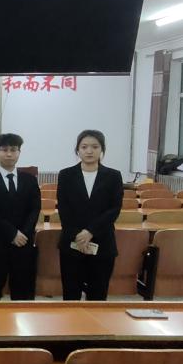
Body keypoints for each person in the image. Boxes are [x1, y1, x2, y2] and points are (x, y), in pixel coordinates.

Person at [56, 129, 124, 301]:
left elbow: (114, 209)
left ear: (102, 150)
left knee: (98, 295)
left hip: (102, 243)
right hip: (72, 243)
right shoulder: (66, 175)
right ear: (78, 150)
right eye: (84, 146)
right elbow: (64, 209)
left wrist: (90, 232)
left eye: (95, 146)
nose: (89, 151)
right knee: (71, 294)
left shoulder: (113, 176)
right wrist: (78, 236)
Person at [0, 132, 41, 301]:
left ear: (19, 152)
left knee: (23, 292)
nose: (9, 154)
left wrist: (23, 233)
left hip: (24, 242)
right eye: (4, 150)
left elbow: (35, 209)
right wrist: (12, 233)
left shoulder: (30, 180)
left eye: (13, 150)